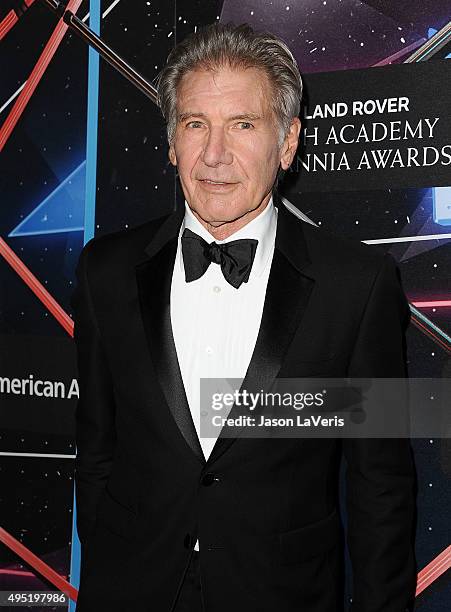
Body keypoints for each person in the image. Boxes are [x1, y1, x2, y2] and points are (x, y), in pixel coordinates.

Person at [71, 22, 417, 612]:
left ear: (287, 144)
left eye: (244, 125)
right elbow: (96, 451)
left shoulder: (356, 286)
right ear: (172, 142)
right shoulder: (105, 271)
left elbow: (379, 488)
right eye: (195, 124)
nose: (213, 156)